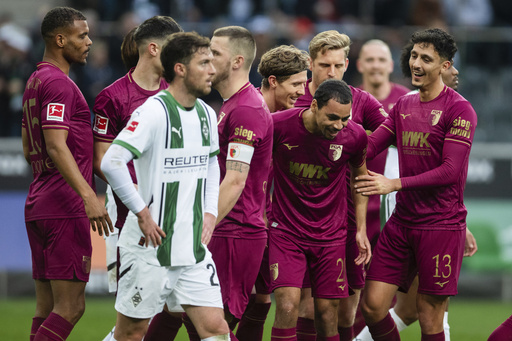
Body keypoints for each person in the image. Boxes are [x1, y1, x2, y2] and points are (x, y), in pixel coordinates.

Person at [100, 31, 230, 341]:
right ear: (180, 69)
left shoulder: (207, 115)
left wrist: (210, 211)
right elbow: (111, 162)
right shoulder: (153, 112)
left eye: (212, 61)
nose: (212, 69)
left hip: (192, 245)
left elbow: (212, 163)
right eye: (204, 62)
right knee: (131, 333)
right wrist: (142, 213)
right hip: (150, 246)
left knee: (216, 330)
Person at [353, 39, 479, 341]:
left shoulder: (461, 110)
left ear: (444, 66)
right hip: (402, 222)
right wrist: (340, 135)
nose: (416, 64)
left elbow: (450, 171)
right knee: (372, 306)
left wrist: (394, 184)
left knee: (429, 316)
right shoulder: (403, 106)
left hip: (440, 225)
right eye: (413, 56)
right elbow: (370, 147)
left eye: (426, 58)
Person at [21, 6, 113, 341]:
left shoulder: (35, 81)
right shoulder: (59, 84)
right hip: (64, 205)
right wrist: (89, 195)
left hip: (39, 201)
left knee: (45, 310)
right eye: (82, 35)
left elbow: (28, 147)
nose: (89, 41)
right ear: (60, 40)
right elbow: (56, 145)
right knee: (71, 307)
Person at [92, 16, 183, 341]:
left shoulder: (175, 96)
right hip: (130, 219)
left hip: (172, 219)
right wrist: (138, 194)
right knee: (133, 319)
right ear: (154, 49)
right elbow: (102, 159)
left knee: (171, 309)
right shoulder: (112, 97)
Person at [294, 30, 387, 341]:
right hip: (299, 217)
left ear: (347, 64)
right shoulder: (296, 96)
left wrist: (356, 151)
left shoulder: (360, 102)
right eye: (323, 65)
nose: (330, 72)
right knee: (306, 307)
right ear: (310, 63)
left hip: (347, 219)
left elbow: (393, 130)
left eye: (337, 65)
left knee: (346, 311)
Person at [182, 26, 273, 341]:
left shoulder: (246, 109)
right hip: (229, 228)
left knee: (211, 327)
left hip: (236, 231)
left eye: (215, 53)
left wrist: (201, 231)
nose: (207, 58)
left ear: (236, 61)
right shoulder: (232, 105)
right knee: (199, 324)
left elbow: (235, 180)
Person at [269, 79, 371, 341]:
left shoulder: (355, 136)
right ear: (314, 105)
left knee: (327, 314)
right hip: (286, 232)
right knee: (289, 305)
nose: (339, 125)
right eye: (333, 117)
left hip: (331, 236)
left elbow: (360, 181)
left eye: (345, 118)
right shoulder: (279, 125)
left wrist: (360, 229)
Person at [235, 44, 309, 341]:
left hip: (261, 221)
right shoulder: (252, 112)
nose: (302, 92)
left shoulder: (277, 116)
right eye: (296, 84)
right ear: (274, 81)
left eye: (304, 84)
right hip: (237, 223)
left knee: (262, 298)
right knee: (222, 308)